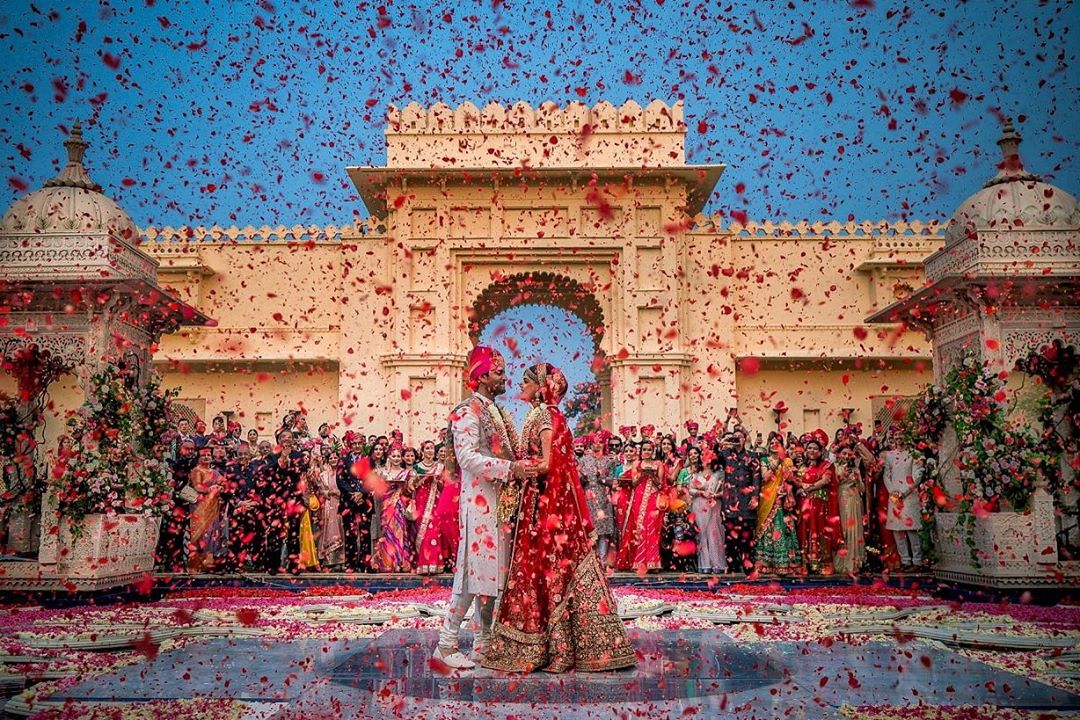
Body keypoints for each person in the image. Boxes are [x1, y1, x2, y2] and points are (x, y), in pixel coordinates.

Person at [482, 363, 635, 673]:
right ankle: (552, 644)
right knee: (544, 569)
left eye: (525, 383)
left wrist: (520, 469)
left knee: (547, 568)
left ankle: (557, 649)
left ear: (539, 387)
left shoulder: (546, 416)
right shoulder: (544, 415)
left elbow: (550, 463)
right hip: (537, 501)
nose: (520, 387)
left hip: (544, 505)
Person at [434, 346, 534, 670]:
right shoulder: (468, 411)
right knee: (470, 577)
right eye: (498, 372)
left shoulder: (494, 410)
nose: (504, 377)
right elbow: (467, 459)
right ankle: (446, 644)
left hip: (498, 504)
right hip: (479, 506)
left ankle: (483, 643)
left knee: (492, 579)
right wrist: (510, 470)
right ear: (481, 377)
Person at [614, 438, 667, 572]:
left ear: (653, 451)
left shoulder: (658, 464)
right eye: (644, 449)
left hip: (653, 499)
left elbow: (660, 485)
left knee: (652, 529)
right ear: (641, 451)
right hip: (638, 498)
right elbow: (633, 483)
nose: (647, 451)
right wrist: (643, 474)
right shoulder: (637, 464)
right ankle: (639, 562)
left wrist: (652, 476)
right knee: (640, 529)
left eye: (649, 449)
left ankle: (653, 562)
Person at [716, 430, 761, 573]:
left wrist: (755, 497)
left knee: (747, 535)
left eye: (739, 437)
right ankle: (732, 565)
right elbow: (712, 461)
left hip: (746, 501)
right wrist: (720, 445)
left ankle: (748, 565)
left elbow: (756, 478)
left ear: (745, 439)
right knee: (730, 536)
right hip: (730, 501)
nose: (737, 440)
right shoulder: (725, 454)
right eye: (734, 437)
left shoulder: (752, 456)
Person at [795, 430, 840, 575]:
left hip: (820, 506)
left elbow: (825, 481)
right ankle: (805, 563)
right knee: (804, 531)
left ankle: (821, 563)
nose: (812, 451)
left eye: (815, 448)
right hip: (804, 505)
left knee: (819, 531)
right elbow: (795, 483)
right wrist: (798, 490)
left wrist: (808, 487)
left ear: (821, 451)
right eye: (809, 448)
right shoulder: (801, 467)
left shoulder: (826, 465)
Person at [755, 438, 801, 574]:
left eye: (778, 443)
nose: (774, 445)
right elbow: (765, 477)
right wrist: (778, 462)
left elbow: (792, 479)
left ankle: (782, 563)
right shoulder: (764, 460)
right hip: (767, 498)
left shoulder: (787, 461)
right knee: (767, 529)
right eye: (772, 442)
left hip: (781, 498)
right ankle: (765, 563)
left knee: (780, 527)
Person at [882, 439, 925, 571]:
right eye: (896, 435)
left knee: (911, 529)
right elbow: (886, 475)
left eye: (901, 435)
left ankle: (917, 561)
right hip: (894, 496)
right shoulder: (889, 455)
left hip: (909, 495)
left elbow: (917, 476)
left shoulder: (915, 454)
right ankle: (905, 560)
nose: (899, 438)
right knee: (897, 529)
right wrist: (892, 491)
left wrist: (905, 492)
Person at [371, 446, 414, 572]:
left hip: (399, 505)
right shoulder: (383, 472)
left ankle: (400, 561)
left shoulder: (406, 473)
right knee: (387, 532)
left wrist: (409, 485)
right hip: (386, 505)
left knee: (399, 532)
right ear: (389, 457)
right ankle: (387, 562)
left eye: (398, 456)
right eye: (393, 456)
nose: (396, 458)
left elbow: (409, 491)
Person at [578, 433, 617, 564]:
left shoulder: (609, 461)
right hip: (587, 499)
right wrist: (581, 477)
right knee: (589, 531)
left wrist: (601, 476)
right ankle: (588, 563)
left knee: (603, 532)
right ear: (590, 443)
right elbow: (578, 481)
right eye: (594, 442)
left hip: (603, 500)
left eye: (600, 442)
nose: (597, 444)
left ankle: (602, 562)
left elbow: (613, 481)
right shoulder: (583, 460)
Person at [337, 432, 374, 572]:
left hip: (365, 502)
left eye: (359, 443)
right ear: (350, 445)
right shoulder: (343, 460)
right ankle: (350, 563)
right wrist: (353, 494)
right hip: (349, 501)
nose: (357, 446)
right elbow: (340, 480)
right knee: (350, 533)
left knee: (365, 534)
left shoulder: (369, 460)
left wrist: (361, 493)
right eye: (354, 444)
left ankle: (365, 564)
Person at [187, 447, 228, 572]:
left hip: (213, 506)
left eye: (208, 455)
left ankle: (210, 563)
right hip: (200, 506)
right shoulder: (196, 470)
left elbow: (224, 482)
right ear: (198, 458)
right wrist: (211, 489)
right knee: (200, 535)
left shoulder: (215, 472)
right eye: (203, 455)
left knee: (212, 533)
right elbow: (197, 487)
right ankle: (197, 565)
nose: (206, 457)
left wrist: (220, 487)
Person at [686, 447, 726, 573]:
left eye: (707, 454)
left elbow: (725, 491)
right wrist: (701, 492)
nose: (704, 457)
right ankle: (704, 564)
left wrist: (716, 495)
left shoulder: (719, 473)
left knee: (715, 533)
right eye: (702, 454)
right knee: (701, 534)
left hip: (714, 505)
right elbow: (690, 489)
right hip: (699, 504)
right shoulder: (697, 473)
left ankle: (717, 564)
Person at [411, 439, 447, 575]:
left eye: (432, 448)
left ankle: (434, 564)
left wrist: (438, 481)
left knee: (434, 531)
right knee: (423, 531)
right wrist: (422, 478)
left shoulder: (440, 467)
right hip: (421, 501)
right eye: (427, 448)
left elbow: (444, 487)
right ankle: (422, 565)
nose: (430, 451)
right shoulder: (416, 468)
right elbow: (412, 486)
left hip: (436, 501)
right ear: (422, 451)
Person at [834, 442, 866, 574]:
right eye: (844, 453)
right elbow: (834, 484)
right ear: (838, 455)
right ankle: (842, 562)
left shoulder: (856, 469)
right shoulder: (835, 467)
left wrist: (858, 479)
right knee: (844, 529)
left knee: (855, 530)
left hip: (855, 500)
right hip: (841, 498)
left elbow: (863, 490)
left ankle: (854, 562)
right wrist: (843, 475)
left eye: (849, 454)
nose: (847, 456)